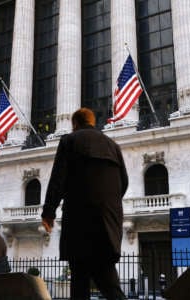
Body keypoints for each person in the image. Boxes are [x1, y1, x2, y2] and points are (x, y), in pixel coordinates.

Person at [41, 108, 128, 299]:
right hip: (108, 223)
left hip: (80, 223)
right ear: (93, 122)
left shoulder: (69, 141)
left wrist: (49, 212)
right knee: (108, 279)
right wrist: (106, 203)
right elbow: (124, 182)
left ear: (75, 124)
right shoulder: (113, 146)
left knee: (79, 281)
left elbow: (58, 180)